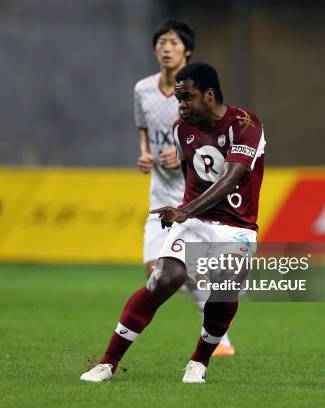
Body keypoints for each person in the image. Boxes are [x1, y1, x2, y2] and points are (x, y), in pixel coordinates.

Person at [81, 62, 266, 383]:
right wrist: (186, 214)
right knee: (164, 279)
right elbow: (190, 174)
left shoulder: (246, 124)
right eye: (178, 99)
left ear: (209, 95)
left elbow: (230, 177)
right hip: (196, 219)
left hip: (237, 225)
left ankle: (199, 362)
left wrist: (185, 209)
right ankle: (107, 363)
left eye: (187, 98)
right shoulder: (182, 128)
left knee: (223, 287)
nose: (180, 106)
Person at [134, 18, 235, 357]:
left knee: (175, 268)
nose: (166, 48)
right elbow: (144, 129)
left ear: (187, 51)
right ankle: (216, 326)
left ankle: (217, 334)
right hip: (159, 194)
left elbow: (212, 134)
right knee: (157, 271)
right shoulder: (143, 90)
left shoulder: (197, 92)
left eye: (173, 43)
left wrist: (184, 156)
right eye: (161, 42)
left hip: (192, 195)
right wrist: (145, 154)